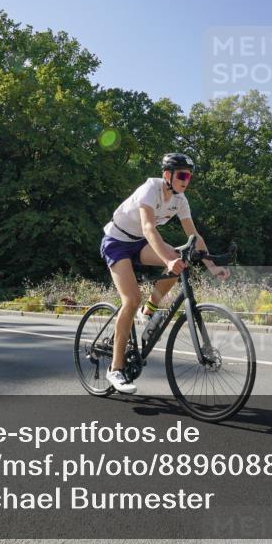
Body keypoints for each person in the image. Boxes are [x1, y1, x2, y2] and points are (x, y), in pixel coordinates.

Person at [98, 153, 230, 394]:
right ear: (167, 174)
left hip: (138, 243)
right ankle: (115, 368)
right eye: (182, 175)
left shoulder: (180, 200)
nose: (186, 179)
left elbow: (195, 236)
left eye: (189, 175)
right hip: (116, 241)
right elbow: (149, 227)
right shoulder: (151, 188)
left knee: (181, 261)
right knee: (130, 299)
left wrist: (211, 266)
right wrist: (168, 259)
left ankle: (148, 310)